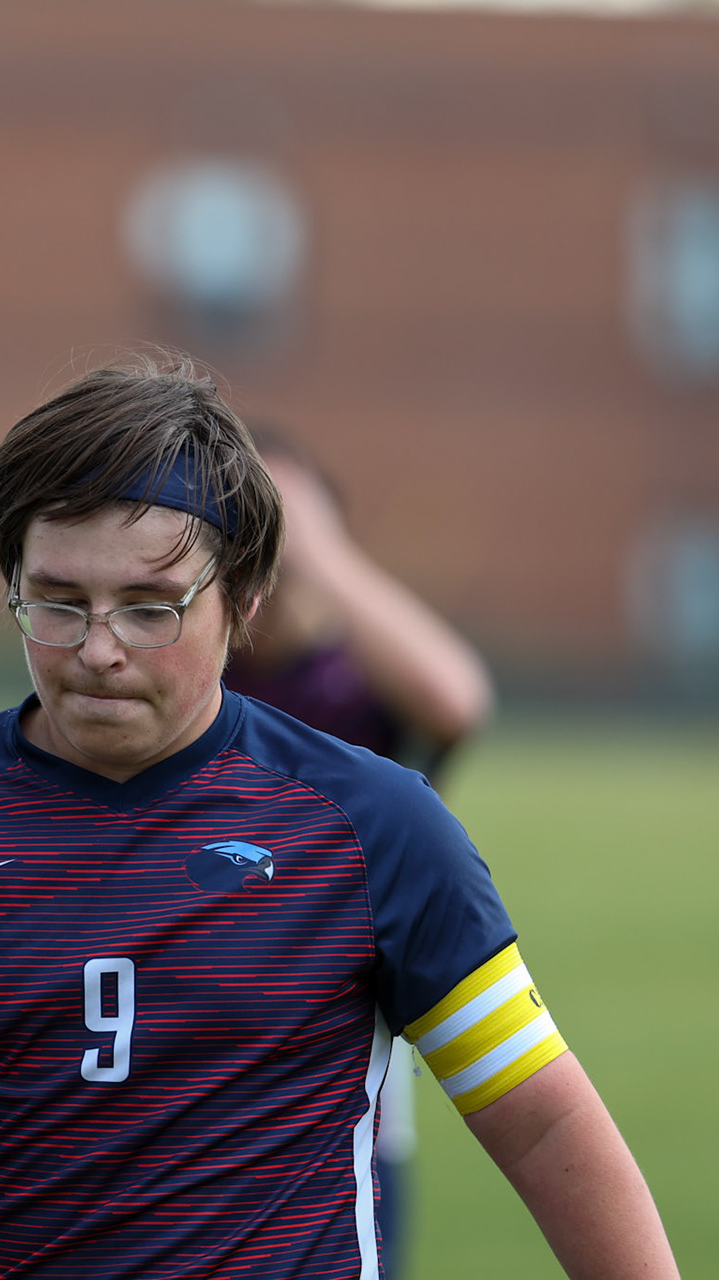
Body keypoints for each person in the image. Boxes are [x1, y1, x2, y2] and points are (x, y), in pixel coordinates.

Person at [0, 356, 677, 1279]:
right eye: (58, 600)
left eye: (149, 605)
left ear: (243, 599)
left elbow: (544, 1119)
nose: (98, 648)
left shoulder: (376, 828)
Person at [224, 429, 493, 1280]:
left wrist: (318, 552)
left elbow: (456, 698)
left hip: (346, 1046)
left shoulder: (359, 682)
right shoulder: (198, 680)